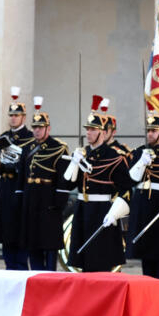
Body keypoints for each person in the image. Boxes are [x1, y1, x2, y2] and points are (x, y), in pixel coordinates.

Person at [65, 95, 134, 273]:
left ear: (103, 132)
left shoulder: (114, 157)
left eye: (93, 130)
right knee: (83, 261)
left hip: (102, 211)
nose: (88, 133)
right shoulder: (83, 153)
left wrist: (115, 213)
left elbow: (126, 190)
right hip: (82, 210)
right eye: (87, 129)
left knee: (101, 259)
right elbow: (68, 184)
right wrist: (74, 163)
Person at [17, 100, 69, 271]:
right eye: (35, 127)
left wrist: (58, 203)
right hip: (31, 199)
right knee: (32, 243)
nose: (36, 130)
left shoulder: (58, 148)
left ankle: (49, 274)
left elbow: (62, 179)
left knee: (49, 244)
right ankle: (36, 274)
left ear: (48, 128)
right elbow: (22, 175)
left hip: (48, 201)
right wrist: (20, 198)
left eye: (40, 127)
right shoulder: (29, 147)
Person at [125, 109, 159, 280]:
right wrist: (141, 163)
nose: (150, 134)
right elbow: (131, 179)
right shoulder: (140, 152)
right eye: (148, 130)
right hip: (143, 207)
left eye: (154, 130)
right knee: (146, 256)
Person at [0, 89, 36, 270]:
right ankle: (8, 265)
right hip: (5, 186)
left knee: (18, 230)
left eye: (17, 115)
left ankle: (19, 266)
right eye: (11, 115)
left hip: (19, 187)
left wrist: (16, 165)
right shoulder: (4, 136)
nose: (13, 118)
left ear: (23, 117)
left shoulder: (29, 137)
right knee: (5, 231)